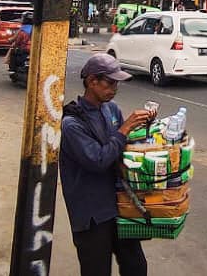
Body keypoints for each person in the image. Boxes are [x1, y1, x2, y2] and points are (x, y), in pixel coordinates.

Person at [59, 53, 154, 276]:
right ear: (92, 81)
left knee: (136, 266)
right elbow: (98, 160)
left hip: (119, 205)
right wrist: (124, 129)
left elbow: (123, 148)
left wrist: (144, 127)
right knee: (97, 270)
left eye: (117, 83)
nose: (114, 89)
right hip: (91, 214)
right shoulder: (72, 124)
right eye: (110, 83)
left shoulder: (111, 110)